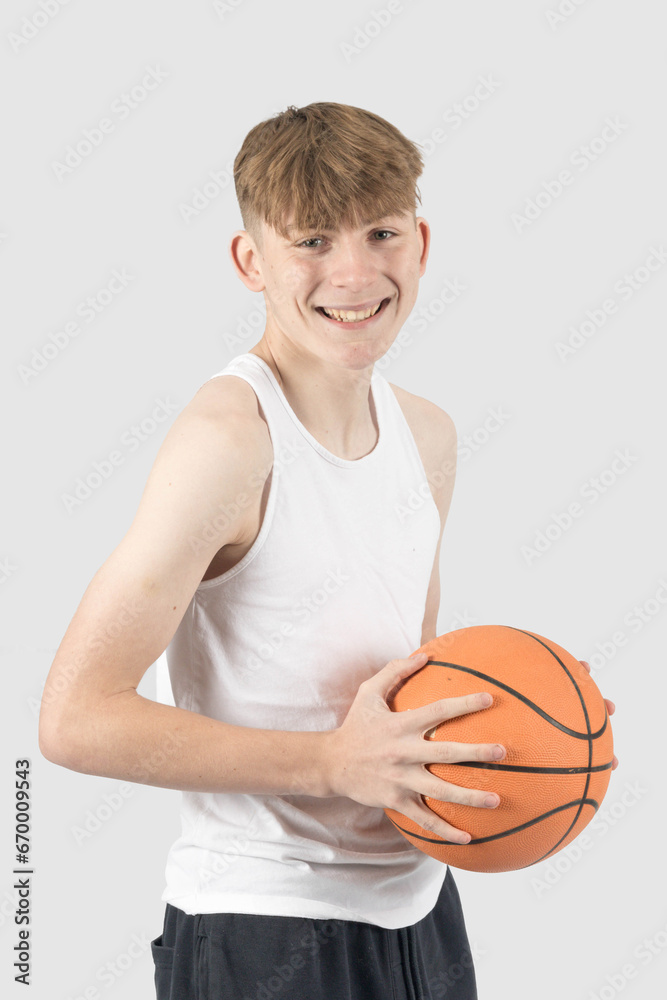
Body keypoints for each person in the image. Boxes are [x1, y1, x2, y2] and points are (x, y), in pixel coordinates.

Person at [38, 102, 617, 999]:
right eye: (310, 240)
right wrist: (326, 767)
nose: (353, 272)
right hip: (261, 922)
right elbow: (75, 719)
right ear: (250, 262)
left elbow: (398, 679)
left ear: (419, 241)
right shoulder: (228, 440)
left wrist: (540, 705)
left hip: (422, 910)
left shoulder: (426, 435)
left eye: (380, 232)